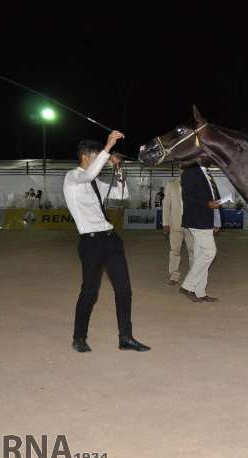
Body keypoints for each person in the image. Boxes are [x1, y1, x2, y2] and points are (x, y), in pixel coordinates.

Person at [63, 131, 150, 353]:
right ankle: (79, 337)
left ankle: (126, 338)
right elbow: (88, 175)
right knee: (90, 292)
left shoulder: (95, 182)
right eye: (97, 156)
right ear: (86, 157)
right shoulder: (73, 178)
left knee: (124, 290)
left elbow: (121, 195)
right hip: (90, 243)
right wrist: (109, 145)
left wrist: (119, 170)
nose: (100, 160)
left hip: (111, 239)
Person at [179, 159, 221, 303]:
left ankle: (200, 292)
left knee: (200, 256)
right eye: (208, 155)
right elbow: (187, 198)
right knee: (210, 252)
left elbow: (211, 196)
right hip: (197, 219)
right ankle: (187, 286)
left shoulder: (206, 172)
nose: (211, 159)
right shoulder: (191, 171)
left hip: (206, 219)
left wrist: (216, 220)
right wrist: (207, 204)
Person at [162, 176, 194, 286]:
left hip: (191, 224)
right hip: (174, 224)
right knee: (174, 250)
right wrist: (165, 222)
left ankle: (193, 276)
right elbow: (166, 205)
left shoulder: (194, 184)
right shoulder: (171, 185)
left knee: (192, 251)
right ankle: (173, 276)